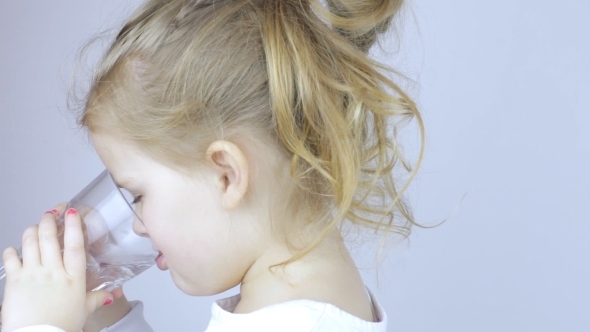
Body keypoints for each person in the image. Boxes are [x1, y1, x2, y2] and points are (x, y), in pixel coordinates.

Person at [1, 0, 425, 331]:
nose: (136, 225)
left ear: (226, 175)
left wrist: (37, 327)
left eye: (138, 195)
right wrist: (111, 319)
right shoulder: (297, 307)